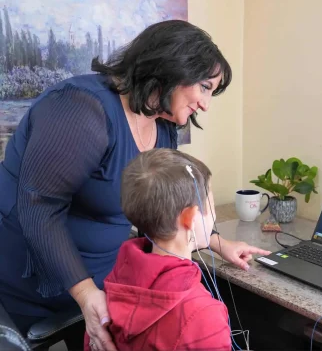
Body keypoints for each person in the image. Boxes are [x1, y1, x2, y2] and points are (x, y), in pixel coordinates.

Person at [0, 20, 270, 351]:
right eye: (204, 87)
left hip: (104, 283)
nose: (205, 104)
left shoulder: (163, 123)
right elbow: (38, 208)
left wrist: (215, 242)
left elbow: (160, 203)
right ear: (172, 67)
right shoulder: (80, 110)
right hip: (36, 282)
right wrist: (86, 295)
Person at [84, 148, 232, 351]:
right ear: (190, 217)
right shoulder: (204, 315)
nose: (214, 216)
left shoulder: (118, 275)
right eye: (211, 207)